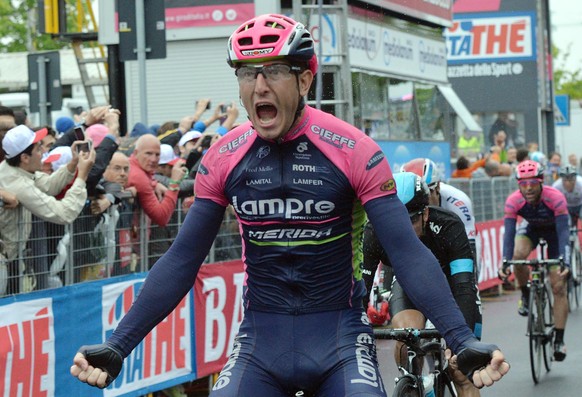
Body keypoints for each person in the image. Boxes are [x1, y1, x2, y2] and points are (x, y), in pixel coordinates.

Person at [71, 14, 509, 395]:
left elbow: (406, 251)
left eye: (275, 71)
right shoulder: (223, 157)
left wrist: (460, 340)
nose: (259, 85)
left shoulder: (353, 150)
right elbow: (183, 258)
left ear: (304, 79)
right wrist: (118, 345)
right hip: (261, 342)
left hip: (339, 338)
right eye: (247, 73)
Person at [362, 172, 482, 397]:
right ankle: (412, 384)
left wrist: (461, 344)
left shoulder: (449, 226)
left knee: (463, 372)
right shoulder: (374, 231)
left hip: (452, 286)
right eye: (395, 220)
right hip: (410, 283)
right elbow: (361, 290)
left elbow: (465, 286)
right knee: (405, 337)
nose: (403, 229)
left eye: (412, 220)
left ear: (426, 214)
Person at [0, 125, 95, 294]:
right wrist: (82, 177)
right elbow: (64, 214)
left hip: (10, 258)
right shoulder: (18, 184)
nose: (44, 151)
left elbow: (48, 185)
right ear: (24, 157)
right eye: (39, 148)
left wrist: (73, 164)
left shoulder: (13, 169)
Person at [498, 160, 570, 361]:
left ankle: (559, 340)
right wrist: (505, 261)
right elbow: (509, 235)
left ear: (541, 182)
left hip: (555, 233)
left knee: (558, 286)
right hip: (531, 229)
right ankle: (527, 294)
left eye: (532, 183)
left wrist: (565, 260)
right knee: (518, 256)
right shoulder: (513, 201)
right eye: (523, 184)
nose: (528, 188)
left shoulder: (555, 198)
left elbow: (564, 232)